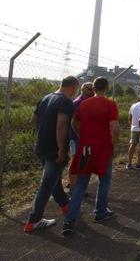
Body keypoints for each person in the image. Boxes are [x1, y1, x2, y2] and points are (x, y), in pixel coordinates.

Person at [63, 77, 119, 235]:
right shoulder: (110, 104)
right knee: (104, 179)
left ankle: (69, 220)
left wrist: (82, 136)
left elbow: (74, 123)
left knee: (81, 182)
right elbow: (114, 127)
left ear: (93, 88)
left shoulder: (83, 104)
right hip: (103, 148)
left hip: (85, 148)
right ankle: (100, 212)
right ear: (106, 88)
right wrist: (113, 145)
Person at [24, 76, 79, 233]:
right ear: (73, 87)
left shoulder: (45, 98)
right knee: (47, 184)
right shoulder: (66, 102)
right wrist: (61, 149)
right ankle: (33, 220)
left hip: (41, 147)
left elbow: (33, 120)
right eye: (76, 89)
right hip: (54, 150)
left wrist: (43, 134)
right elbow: (62, 124)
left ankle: (65, 205)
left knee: (53, 179)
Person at [67, 82, 94, 196]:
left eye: (93, 89)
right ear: (83, 90)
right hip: (76, 138)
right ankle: (73, 188)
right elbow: (73, 123)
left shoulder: (89, 102)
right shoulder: (78, 103)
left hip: (86, 138)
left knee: (84, 161)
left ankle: (77, 185)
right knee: (75, 161)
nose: (92, 91)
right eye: (89, 89)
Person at [126, 93, 140, 170]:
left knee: (132, 145)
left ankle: (129, 163)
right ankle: (139, 162)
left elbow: (130, 117)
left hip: (134, 128)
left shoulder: (133, 105)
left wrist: (131, 125)